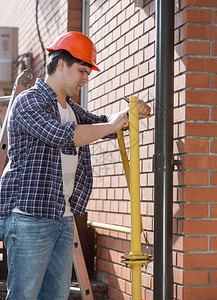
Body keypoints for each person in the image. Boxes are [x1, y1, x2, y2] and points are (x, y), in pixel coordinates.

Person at [0, 31, 151, 300]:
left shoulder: (70, 107)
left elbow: (102, 124)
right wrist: (112, 124)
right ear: (60, 64)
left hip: (62, 216)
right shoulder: (29, 102)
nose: (86, 78)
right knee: (24, 295)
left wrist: (129, 115)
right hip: (29, 216)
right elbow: (63, 135)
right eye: (82, 70)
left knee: (56, 296)